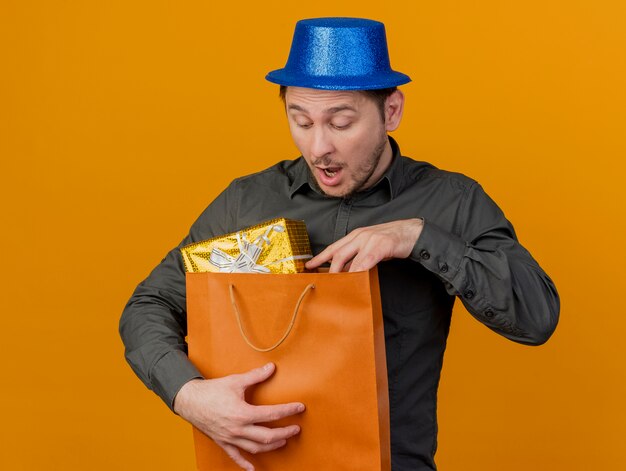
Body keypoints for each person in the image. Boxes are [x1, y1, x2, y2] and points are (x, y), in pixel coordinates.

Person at [119, 17, 559, 471]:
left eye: (341, 122)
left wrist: (419, 238)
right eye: (301, 120)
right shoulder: (245, 202)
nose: (319, 147)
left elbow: (536, 317)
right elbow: (148, 304)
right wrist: (188, 395)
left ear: (391, 111)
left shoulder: (452, 202)